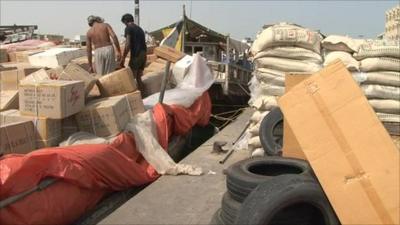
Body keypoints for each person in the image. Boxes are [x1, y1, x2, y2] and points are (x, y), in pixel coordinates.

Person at [119, 13, 147, 93]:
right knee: (138, 78)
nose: (124, 25)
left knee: (132, 78)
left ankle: (134, 99)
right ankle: (143, 96)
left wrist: (123, 58)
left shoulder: (128, 28)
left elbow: (127, 44)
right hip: (143, 54)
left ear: (125, 21)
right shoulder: (139, 28)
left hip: (136, 55)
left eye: (124, 23)